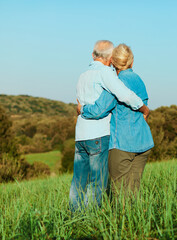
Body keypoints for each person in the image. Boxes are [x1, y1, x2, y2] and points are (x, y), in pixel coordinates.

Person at [70, 40, 150, 212]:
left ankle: (88, 220)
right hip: (142, 141)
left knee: (112, 191)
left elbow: (100, 108)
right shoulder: (139, 80)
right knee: (132, 190)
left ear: (112, 62)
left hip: (117, 143)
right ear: (132, 61)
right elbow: (138, 102)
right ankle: (134, 222)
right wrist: (145, 109)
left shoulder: (108, 81)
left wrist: (81, 108)